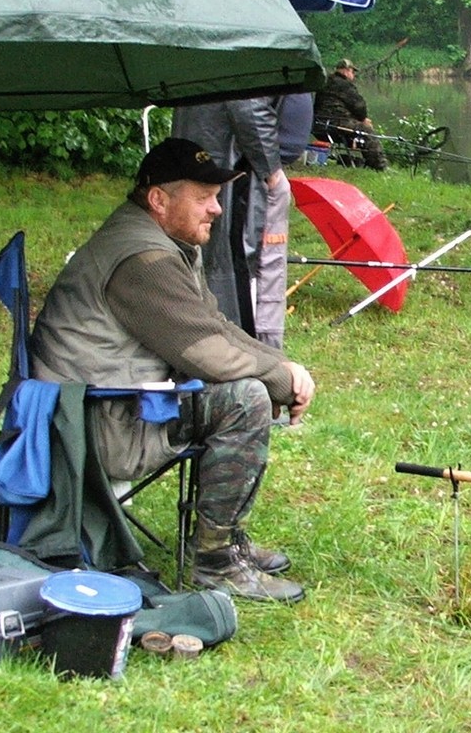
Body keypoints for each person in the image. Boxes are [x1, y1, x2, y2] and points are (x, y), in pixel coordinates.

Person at [29, 139, 315, 603]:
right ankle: (216, 561)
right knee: (245, 399)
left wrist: (281, 365)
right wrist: (280, 382)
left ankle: (226, 542)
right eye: (203, 198)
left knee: (248, 387)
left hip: (117, 405)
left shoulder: (163, 242)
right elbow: (203, 352)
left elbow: (213, 324)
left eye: (216, 197)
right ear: (159, 200)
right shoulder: (142, 259)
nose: (217, 209)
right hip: (95, 424)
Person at [172, 0, 303, 348]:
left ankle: (221, 350)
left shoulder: (219, 9)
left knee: (205, 258)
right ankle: (242, 356)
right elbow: (247, 103)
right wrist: (272, 172)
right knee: (235, 264)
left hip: (204, 156)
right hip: (229, 167)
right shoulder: (253, 17)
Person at [313, 58, 389, 170]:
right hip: (335, 125)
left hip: (318, 126)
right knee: (366, 130)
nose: (353, 75)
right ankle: (380, 166)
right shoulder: (344, 85)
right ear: (346, 70)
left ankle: (357, 161)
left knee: (357, 130)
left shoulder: (325, 82)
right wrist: (363, 119)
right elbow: (359, 106)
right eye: (352, 72)